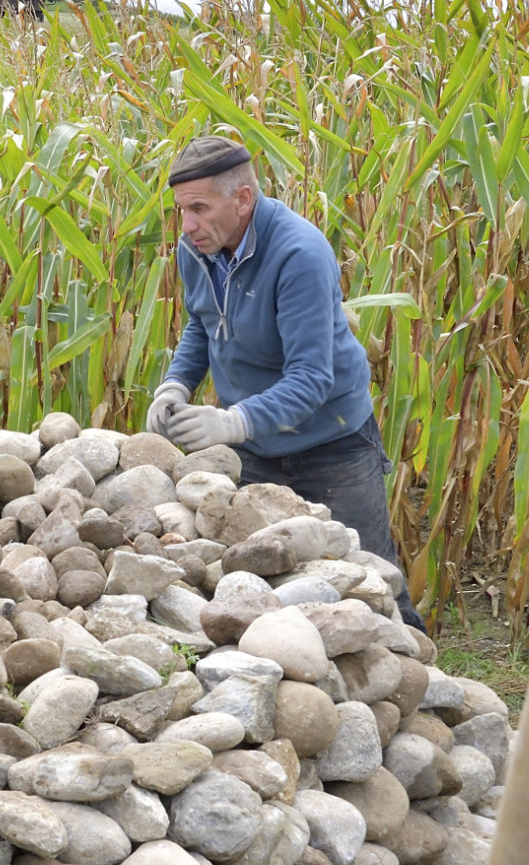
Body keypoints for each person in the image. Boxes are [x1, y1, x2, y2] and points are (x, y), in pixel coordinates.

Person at [144, 134, 423, 631]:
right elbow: (202, 323)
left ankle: (425, 696)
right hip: (254, 446)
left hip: (331, 443)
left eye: (200, 209)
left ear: (243, 199)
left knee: (372, 585)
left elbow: (313, 378)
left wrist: (231, 421)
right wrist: (176, 385)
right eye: (182, 209)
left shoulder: (299, 254)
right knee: (269, 584)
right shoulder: (198, 247)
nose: (187, 225)